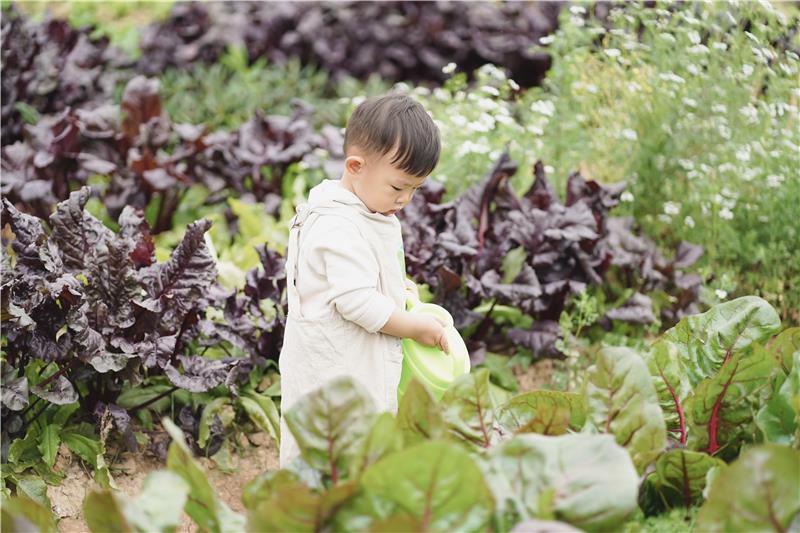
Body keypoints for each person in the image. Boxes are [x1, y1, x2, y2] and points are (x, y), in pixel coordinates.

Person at [278, 94, 450, 467]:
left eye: (415, 189)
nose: (406, 199)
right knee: (331, 453)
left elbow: (358, 276)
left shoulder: (365, 206)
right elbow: (355, 301)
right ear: (355, 166)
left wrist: (396, 290)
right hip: (334, 373)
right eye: (398, 187)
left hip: (349, 368)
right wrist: (411, 327)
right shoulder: (338, 225)